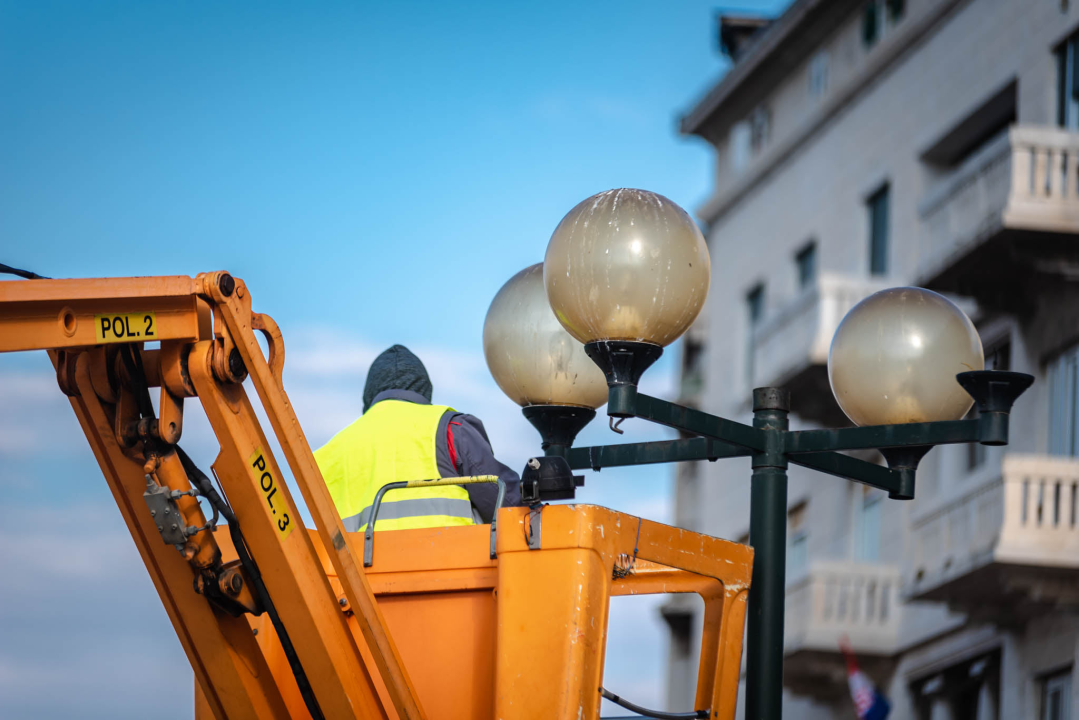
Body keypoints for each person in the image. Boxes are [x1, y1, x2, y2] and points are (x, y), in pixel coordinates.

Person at [314, 344, 522, 532]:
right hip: (452, 562)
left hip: (358, 564)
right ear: (424, 391)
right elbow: (509, 507)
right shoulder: (448, 429)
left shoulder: (327, 457)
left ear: (369, 397)